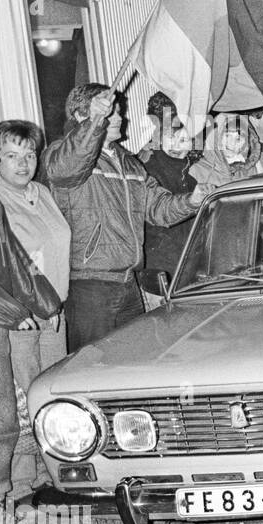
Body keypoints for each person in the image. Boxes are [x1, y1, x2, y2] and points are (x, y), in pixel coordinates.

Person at [40, 84, 205, 351]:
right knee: (93, 368)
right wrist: (94, 122)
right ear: (81, 116)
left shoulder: (129, 162)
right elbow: (68, 167)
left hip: (129, 281)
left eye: (119, 111)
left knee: (136, 362)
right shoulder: (61, 153)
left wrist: (192, 201)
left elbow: (157, 208)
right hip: (90, 284)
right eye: (110, 112)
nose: (119, 117)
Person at [0, 121, 69, 518]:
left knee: (52, 397)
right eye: (11, 155)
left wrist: (53, 305)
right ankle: (21, 484)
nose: (23, 163)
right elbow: (8, 264)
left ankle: (52, 473)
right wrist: (23, 309)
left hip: (54, 311)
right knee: (22, 398)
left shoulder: (42, 192)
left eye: (29, 154)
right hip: (19, 318)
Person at [139, 119, 197, 308]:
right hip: (158, 275)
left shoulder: (190, 178)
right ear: (158, 138)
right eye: (171, 137)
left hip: (187, 273)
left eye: (184, 140)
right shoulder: (147, 172)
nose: (176, 146)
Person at [189, 113, 263, 188]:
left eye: (238, 139)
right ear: (216, 137)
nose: (231, 143)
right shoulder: (197, 171)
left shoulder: (248, 169)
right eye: (227, 136)